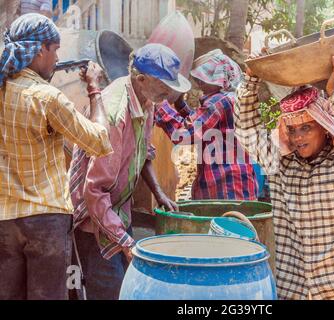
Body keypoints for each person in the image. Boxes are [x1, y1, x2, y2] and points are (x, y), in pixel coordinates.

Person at [234, 50, 334, 300]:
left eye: (306, 128)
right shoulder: (280, 163)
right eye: (291, 130)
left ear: (324, 128)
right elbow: (246, 128)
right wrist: (251, 78)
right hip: (296, 289)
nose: (298, 137)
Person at [0, 13, 112, 300]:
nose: (57, 57)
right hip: (44, 221)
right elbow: (99, 140)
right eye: (55, 50)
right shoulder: (46, 97)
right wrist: (94, 88)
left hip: (4, 220)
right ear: (40, 50)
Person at [69, 43, 191, 300]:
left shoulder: (147, 99)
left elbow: (144, 152)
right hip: (95, 220)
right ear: (142, 79)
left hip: (118, 213)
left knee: (128, 287)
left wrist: (159, 193)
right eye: (164, 85)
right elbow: (94, 191)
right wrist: (126, 243)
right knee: (109, 290)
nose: (169, 92)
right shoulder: (115, 113)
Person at [155, 49, 258, 200]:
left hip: (226, 186)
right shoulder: (230, 98)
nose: (199, 83)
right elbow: (202, 123)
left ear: (219, 78)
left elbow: (183, 135)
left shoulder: (218, 102)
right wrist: (180, 104)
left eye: (204, 79)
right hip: (236, 184)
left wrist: (160, 105)